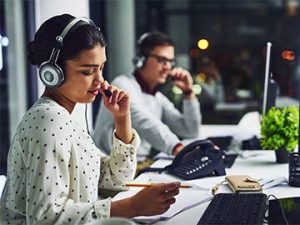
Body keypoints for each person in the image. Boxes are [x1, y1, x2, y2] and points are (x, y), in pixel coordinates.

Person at [0, 14, 180, 224]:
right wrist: (132, 206)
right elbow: (45, 219)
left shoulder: (65, 118)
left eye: (101, 68)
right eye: (87, 71)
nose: (100, 81)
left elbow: (117, 181)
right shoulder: (48, 121)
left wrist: (122, 120)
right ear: (52, 72)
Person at [93, 31, 201, 164]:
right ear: (141, 60)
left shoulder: (157, 97)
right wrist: (177, 147)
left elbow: (190, 130)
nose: (167, 67)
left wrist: (188, 92)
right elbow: (145, 122)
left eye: (170, 62)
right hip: (109, 168)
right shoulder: (122, 85)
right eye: (162, 60)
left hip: (136, 165)